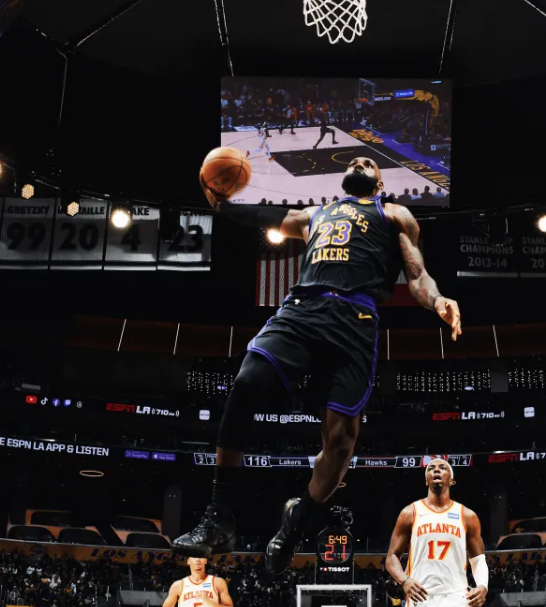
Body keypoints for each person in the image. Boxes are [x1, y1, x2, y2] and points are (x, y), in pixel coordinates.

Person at [172, 156, 462, 575]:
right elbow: (266, 216)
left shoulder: (394, 215)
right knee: (247, 380)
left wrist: (437, 300)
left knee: (341, 440)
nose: (359, 161)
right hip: (304, 307)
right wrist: (223, 205)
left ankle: (296, 522)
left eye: (368, 161)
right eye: (354, 160)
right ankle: (219, 517)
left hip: (355, 319)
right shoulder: (315, 214)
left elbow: (416, 275)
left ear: (380, 183)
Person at [385, 459, 488, 607]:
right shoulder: (410, 513)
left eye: (442, 468)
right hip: (421, 597)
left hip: (456, 597)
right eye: (431, 468)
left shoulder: (467, 516)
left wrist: (483, 585)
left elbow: (478, 559)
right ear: (426, 480)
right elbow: (391, 557)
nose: (437, 470)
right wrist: (404, 580)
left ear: (452, 480)